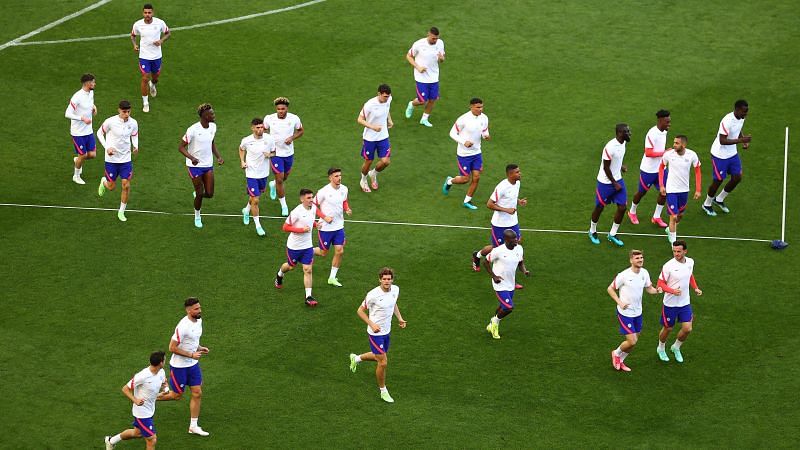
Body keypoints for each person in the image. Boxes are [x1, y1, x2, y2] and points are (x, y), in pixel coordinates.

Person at [348, 267, 407, 403]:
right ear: (380, 280)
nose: (387, 281)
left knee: (377, 355)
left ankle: (356, 358)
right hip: (375, 334)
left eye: (389, 279)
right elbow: (360, 311)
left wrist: (399, 318)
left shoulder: (395, 290)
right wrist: (371, 324)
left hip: (387, 331)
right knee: (383, 362)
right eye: (384, 279)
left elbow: (393, 304)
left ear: (392, 279)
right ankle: (383, 391)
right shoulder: (373, 295)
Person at [158, 297, 210, 436]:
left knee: (197, 393)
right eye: (196, 309)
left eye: (199, 307)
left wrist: (199, 347)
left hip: (193, 365)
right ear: (188, 310)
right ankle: (151, 398)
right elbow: (172, 347)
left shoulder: (199, 321)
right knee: (176, 396)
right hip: (179, 366)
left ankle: (193, 426)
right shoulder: (183, 326)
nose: (200, 310)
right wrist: (191, 355)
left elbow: (192, 340)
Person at [471, 165, 527, 284]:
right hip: (500, 225)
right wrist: (506, 210)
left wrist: (519, 201)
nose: (520, 174)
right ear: (510, 174)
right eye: (517, 172)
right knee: (500, 250)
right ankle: (506, 279)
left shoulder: (517, 183)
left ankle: (478, 254)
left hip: (513, 222)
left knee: (516, 244)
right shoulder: (502, 186)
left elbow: (511, 196)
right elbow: (489, 204)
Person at [607, 250, 660, 372]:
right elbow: (610, 289)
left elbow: (649, 288)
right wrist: (620, 302)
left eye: (641, 258)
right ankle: (616, 353)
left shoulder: (644, 273)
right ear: (631, 260)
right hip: (625, 313)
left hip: (638, 312)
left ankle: (621, 360)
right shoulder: (624, 275)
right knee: (632, 340)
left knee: (635, 340)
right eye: (637, 258)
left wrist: (658, 290)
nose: (640, 260)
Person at [104, 351, 167, 450]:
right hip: (142, 413)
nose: (165, 362)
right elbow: (125, 389)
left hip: (150, 409)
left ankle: (111, 441)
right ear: (161, 363)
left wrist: (165, 389)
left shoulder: (161, 372)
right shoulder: (142, 376)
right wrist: (135, 400)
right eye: (164, 360)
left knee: (137, 433)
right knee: (152, 439)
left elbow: (164, 381)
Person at [702, 99, 751, 216]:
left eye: (746, 112)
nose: (745, 114)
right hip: (720, 155)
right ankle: (707, 204)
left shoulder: (741, 118)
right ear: (737, 110)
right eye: (744, 112)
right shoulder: (727, 120)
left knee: (737, 177)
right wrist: (741, 140)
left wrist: (743, 140)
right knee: (718, 180)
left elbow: (738, 129)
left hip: (732, 153)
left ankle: (719, 199)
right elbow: (722, 140)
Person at [656, 240, 703, 363]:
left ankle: (676, 347)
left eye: (679, 251)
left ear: (685, 251)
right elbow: (660, 284)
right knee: (668, 329)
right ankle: (661, 348)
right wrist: (672, 291)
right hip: (670, 304)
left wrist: (695, 287)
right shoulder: (668, 266)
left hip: (684, 303)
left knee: (687, 328)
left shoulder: (690, 262)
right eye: (674, 251)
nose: (676, 254)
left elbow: (690, 275)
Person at [178, 103, 223, 229]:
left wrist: (218, 156)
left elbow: (211, 143)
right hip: (194, 166)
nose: (214, 115)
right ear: (204, 116)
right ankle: (197, 215)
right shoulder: (192, 130)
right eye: (211, 114)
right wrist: (191, 158)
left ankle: (198, 194)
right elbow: (180, 147)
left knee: (209, 193)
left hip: (208, 164)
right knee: (199, 192)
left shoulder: (213, 127)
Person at [275, 188, 322, 306]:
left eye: (312, 197)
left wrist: (316, 225)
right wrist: (301, 230)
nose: (311, 200)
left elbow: (310, 222)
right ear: (302, 199)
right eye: (308, 198)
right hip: (294, 247)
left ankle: (308, 297)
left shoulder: (313, 209)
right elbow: (285, 227)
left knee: (308, 269)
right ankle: (280, 274)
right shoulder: (296, 212)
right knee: (290, 267)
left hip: (307, 246)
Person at [442, 98, 490, 209]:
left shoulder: (484, 118)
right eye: (478, 107)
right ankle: (450, 181)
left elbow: (484, 131)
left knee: (476, 177)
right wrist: (464, 142)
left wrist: (486, 136)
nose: (480, 109)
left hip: (477, 152)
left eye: (482, 107)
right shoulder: (463, 119)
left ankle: (467, 201)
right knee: (465, 179)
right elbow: (452, 133)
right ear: (471, 107)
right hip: (464, 154)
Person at [97, 100, 140, 222]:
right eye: (124, 112)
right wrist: (107, 147)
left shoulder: (133, 123)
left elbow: (134, 135)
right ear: (119, 110)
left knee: (126, 185)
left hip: (126, 159)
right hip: (111, 159)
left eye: (128, 111)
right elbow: (99, 133)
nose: (127, 114)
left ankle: (121, 211)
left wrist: (135, 145)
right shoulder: (110, 121)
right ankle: (104, 181)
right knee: (111, 187)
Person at [589, 123, 631, 247]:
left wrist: (620, 166)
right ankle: (592, 231)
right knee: (599, 207)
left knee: (622, 207)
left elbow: (617, 159)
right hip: (605, 182)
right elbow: (606, 167)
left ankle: (612, 234)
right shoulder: (610, 147)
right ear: (619, 133)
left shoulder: (624, 143)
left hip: (618, 179)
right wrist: (614, 183)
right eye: (627, 132)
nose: (629, 134)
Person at [483, 229, 530, 339]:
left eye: (516, 238)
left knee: (502, 307)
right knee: (509, 307)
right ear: (506, 240)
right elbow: (485, 262)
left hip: (510, 283)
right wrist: (494, 276)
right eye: (513, 239)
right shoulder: (498, 251)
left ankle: (492, 325)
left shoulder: (519, 248)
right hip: (499, 283)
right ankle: (494, 322)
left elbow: (520, 262)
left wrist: (524, 270)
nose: (516, 240)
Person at [628, 110, 670, 228]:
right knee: (641, 192)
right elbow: (648, 152)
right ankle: (632, 212)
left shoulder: (664, 132)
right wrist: (665, 153)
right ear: (660, 120)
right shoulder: (652, 134)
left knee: (665, 191)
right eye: (667, 122)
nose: (669, 124)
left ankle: (656, 216)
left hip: (661, 169)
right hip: (648, 170)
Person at [264, 97, 304, 216]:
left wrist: (292, 138)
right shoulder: (269, 118)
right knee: (280, 179)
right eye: (278, 109)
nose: (280, 111)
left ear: (287, 108)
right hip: (275, 154)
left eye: (283, 109)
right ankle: (284, 205)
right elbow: (263, 131)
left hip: (288, 153)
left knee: (284, 177)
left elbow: (301, 130)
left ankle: (273, 184)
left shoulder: (294, 118)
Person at [659, 135, 702, 244]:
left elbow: (697, 171)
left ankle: (670, 229)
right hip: (671, 190)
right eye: (674, 142)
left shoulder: (692, 155)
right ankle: (674, 243)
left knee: (680, 215)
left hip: (684, 190)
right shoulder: (668, 154)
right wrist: (661, 185)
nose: (674, 145)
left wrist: (698, 189)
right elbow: (661, 167)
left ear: (683, 144)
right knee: (673, 216)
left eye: (677, 143)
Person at [314, 168, 352, 287]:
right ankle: (306, 251)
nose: (339, 178)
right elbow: (313, 205)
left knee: (340, 251)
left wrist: (347, 209)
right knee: (323, 252)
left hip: (339, 226)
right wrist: (324, 217)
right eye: (336, 176)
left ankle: (332, 277)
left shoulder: (344, 189)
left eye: (340, 175)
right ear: (330, 177)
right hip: (325, 228)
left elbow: (344, 201)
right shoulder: (323, 191)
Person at [239, 117, 276, 236]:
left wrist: (269, 155)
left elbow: (274, 152)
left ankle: (246, 210)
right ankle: (258, 225)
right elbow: (241, 149)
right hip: (251, 173)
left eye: (262, 128)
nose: (260, 130)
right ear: (252, 128)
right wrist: (242, 161)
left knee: (253, 197)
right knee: (256, 200)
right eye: (258, 128)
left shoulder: (269, 139)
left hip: (263, 174)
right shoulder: (246, 140)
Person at [130, 4, 170, 113]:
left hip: (157, 56)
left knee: (155, 77)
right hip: (144, 56)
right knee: (145, 78)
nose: (147, 15)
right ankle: (145, 102)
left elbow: (168, 33)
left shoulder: (160, 23)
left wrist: (161, 41)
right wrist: (134, 45)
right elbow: (133, 36)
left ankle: (153, 85)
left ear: (153, 13)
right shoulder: (138, 24)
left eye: (149, 12)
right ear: (143, 13)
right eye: (145, 13)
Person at [403, 27, 445, 127]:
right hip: (421, 77)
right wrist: (418, 67)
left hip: (434, 76)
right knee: (422, 100)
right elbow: (408, 56)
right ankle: (412, 104)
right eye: (433, 38)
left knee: (432, 99)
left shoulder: (440, 43)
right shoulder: (419, 44)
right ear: (428, 35)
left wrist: (441, 58)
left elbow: (442, 58)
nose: (435, 40)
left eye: (437, 38)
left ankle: (424, 119)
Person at [358, 84, 393, 193]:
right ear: (379, 94)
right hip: (370, 138)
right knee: (369, 161)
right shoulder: (370, 105)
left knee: (386, 161)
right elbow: (359, 119)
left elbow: (387, 109)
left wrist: (389, 120)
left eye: (388, 96)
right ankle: (363, 180)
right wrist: (372, 127)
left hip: (383, 136)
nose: (387, 98)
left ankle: (373, 173)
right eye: (385, 96)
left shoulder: (388, 100)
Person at [65, 73, 97, 185]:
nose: (94, 84)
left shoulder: (91, 92)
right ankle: (76, 175)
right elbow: (67, 113)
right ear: (87, 83)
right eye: (93, 82)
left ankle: (78, 160)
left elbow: (89, 103)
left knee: (92, 154)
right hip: (78, 132)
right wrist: (81, 118)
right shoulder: (77, 97)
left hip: (88, 130)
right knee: (83, 155)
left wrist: (93, 107)